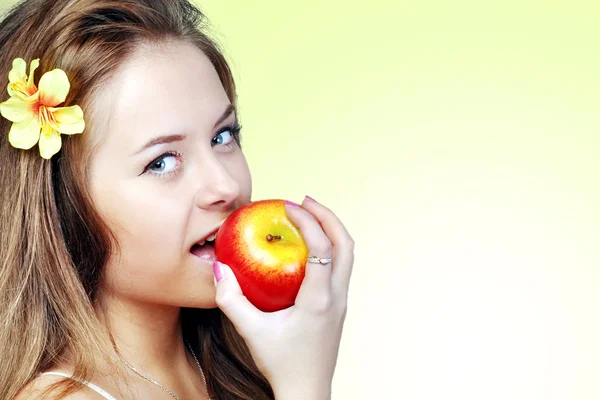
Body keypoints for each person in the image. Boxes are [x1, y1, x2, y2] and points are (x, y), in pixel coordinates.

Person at [0, 0, 355, 399]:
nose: (225, 185)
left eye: (223, 136)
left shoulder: (240, 364)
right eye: (162, 161)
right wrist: (304, 386)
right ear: (61, 202)